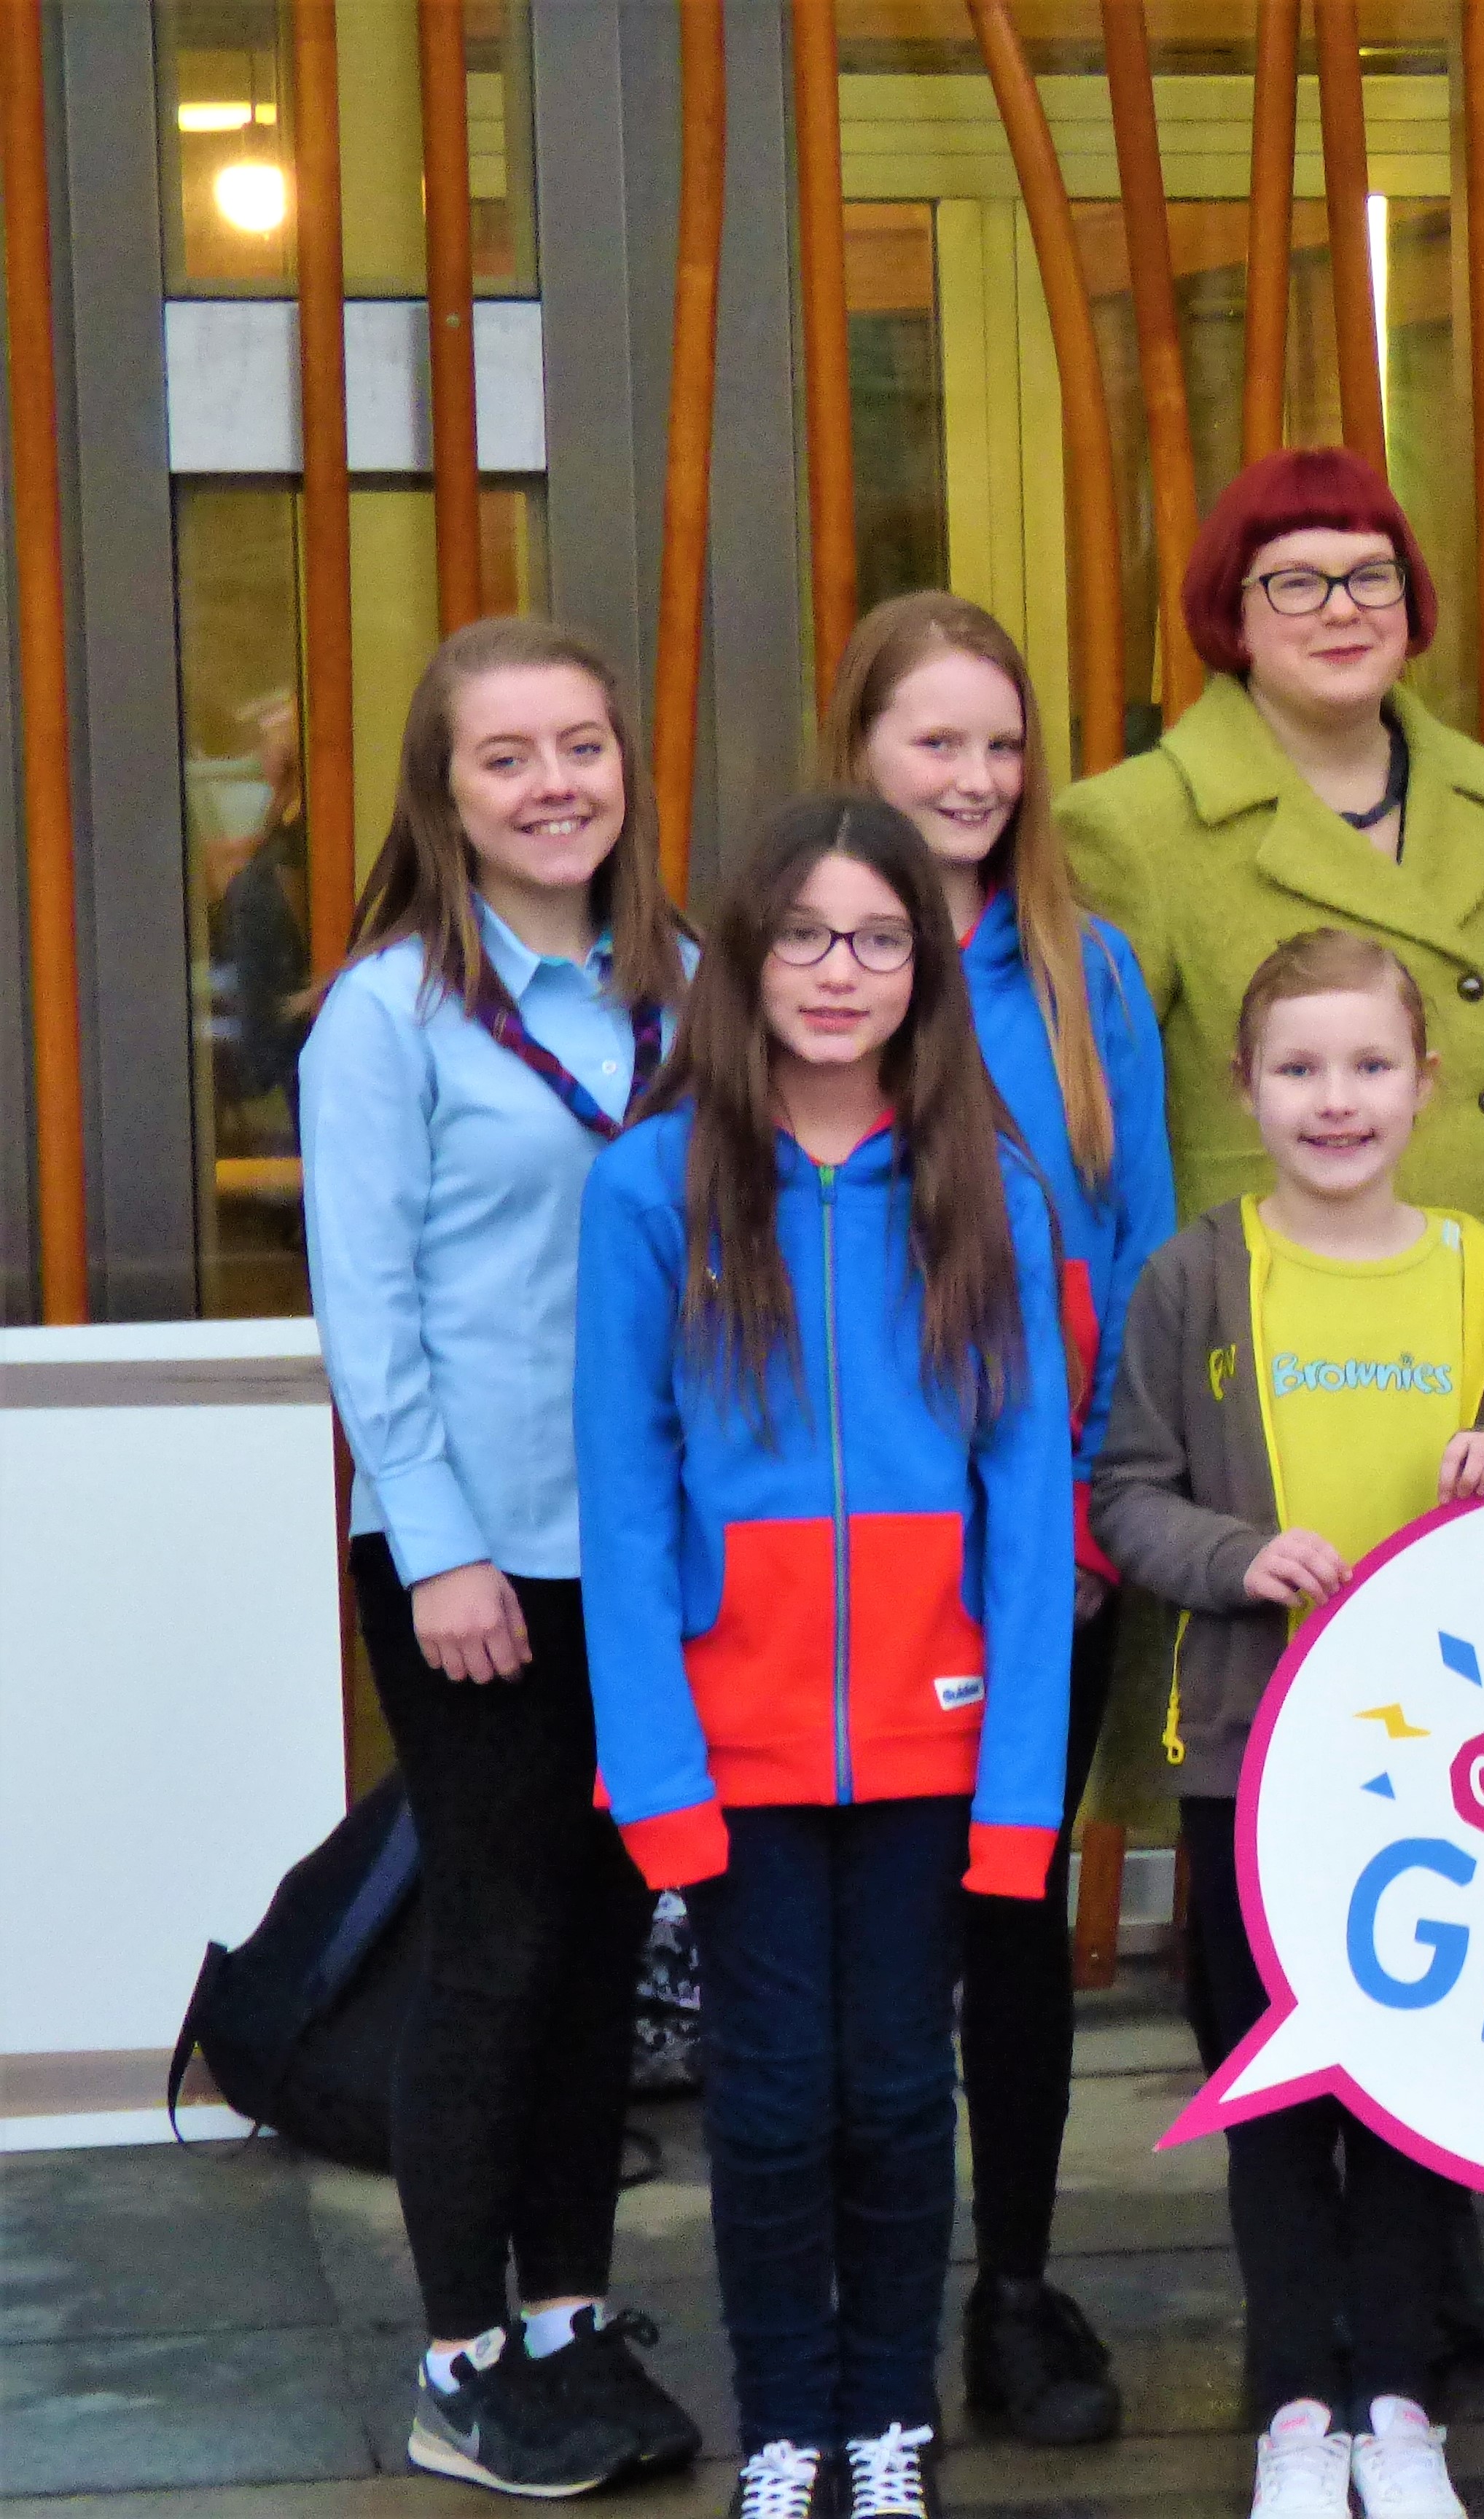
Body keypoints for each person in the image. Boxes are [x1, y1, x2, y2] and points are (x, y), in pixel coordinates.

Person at [576, 797, 1075, 2519]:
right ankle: (785, 2421)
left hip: (937, 1750)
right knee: (772, 2099)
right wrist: (655, 1767)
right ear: (747, 959)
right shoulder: (652, 1182)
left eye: (878, 938)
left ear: (922, 968)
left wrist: (1020, 1789)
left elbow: (1029, 1505)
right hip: (739, 1741)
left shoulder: (987, 1182)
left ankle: (890, 2419)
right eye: (805, 936)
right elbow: (622, 1491)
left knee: (893, 2090)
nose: (841, 970)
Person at [1091, 929, 1484, 2519]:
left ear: (1427, 1085)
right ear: (1245, 1087)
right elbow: (1127, 1497)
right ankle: (1298, 2412)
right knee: (1276, 2096)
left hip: (1444, 1771)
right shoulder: (1192, 1274)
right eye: (1299, 1069)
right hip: (1254, 1760)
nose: (1336, 1099)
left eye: (1370, 1066)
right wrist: (1239, 1560)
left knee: (1410, 2096)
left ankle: (1402, 2404)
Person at [300, 619, 701, 2502]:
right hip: (476, 1557)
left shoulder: (687, 987)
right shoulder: (389, 1017)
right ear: (442, 793)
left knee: (611, 1939)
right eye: (508, 758)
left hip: (647, 1553)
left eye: (582, 749)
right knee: (499, 1939)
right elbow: (368, 1316)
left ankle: (563, 2315)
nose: (555, 786)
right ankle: (458, 2359)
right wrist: (441, 1547)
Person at [821, 591, 1177, 2446]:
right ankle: (847, 2310)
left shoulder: (1083, 964)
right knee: (867, 1944)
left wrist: (1109, 1505)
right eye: (933, 740)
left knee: (1014, 1918)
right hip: (857, 1555)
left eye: (1000, 742)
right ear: (862, 752)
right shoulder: (806, 957)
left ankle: (1017, 2290)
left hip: (1051, 1542)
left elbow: (1145, 1246)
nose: (973, 776)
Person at [1055, 446, 1484, 1258]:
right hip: (1269, 1332)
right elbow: (1082, 1128)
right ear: (1234, 614)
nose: (1342, 611)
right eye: (1295, 583)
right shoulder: (1129, 827)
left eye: (1371, 576)